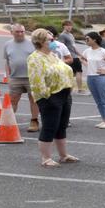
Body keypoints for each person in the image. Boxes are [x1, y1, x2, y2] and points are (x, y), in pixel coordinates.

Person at [26, 29, 78, 167]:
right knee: (50, 127)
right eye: (50, 40)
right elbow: (36, 81)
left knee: (61, 126)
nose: (54, 42)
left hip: (64, 94)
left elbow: (64, 70)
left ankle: (63, 155)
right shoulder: (35, 58)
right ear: (41, 41)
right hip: (50, 97)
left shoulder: (53, 55)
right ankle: (46, 158)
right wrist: (47, 96)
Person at [2, 25, 39, 132]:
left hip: (32, 77)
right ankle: (8, 123)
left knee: (33, 100)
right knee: (13, 100)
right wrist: (8, 76)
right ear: (11, 32)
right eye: (17, 32)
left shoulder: (33, 43)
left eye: (22, 31)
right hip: (15, 78)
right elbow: (7, 61)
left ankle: (34, 121)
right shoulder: (7, 44)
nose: (20, 34)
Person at [81, 31, 105, 129]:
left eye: (88, 39)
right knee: (98, 101)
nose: (86, 41)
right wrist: (87, 65)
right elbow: (82, 58)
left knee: (104, 99)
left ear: (94, 40)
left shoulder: (103, 51)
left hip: (100, 78)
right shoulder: (87, 51)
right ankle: (104, 120)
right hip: (90, 77)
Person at [58, 20, 85, 95]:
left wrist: (81, 55)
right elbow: (61, 47)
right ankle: (78, 89)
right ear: (63, 26)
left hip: (75, 56)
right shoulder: (62, 35)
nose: (69, 27)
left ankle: (75, 89)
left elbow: (74, 47)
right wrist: (63, 57)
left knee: (76, 72)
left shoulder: (71, 35)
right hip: (68, 57)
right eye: (67, 25)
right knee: (73, 73)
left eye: (70, 25)